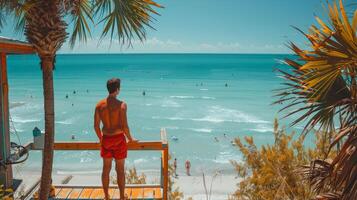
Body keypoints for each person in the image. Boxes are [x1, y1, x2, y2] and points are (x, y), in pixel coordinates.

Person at [94, 78, 138, 200]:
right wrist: (131, 139)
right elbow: (125, 126)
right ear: (117, 90)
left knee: (106, 169)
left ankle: (107, 196)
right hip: (118, 139)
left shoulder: (99, 105)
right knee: (120, 170)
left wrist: (101, 139)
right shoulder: (122, 105)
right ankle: (121, 197)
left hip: (106, 139)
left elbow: (96, 126)